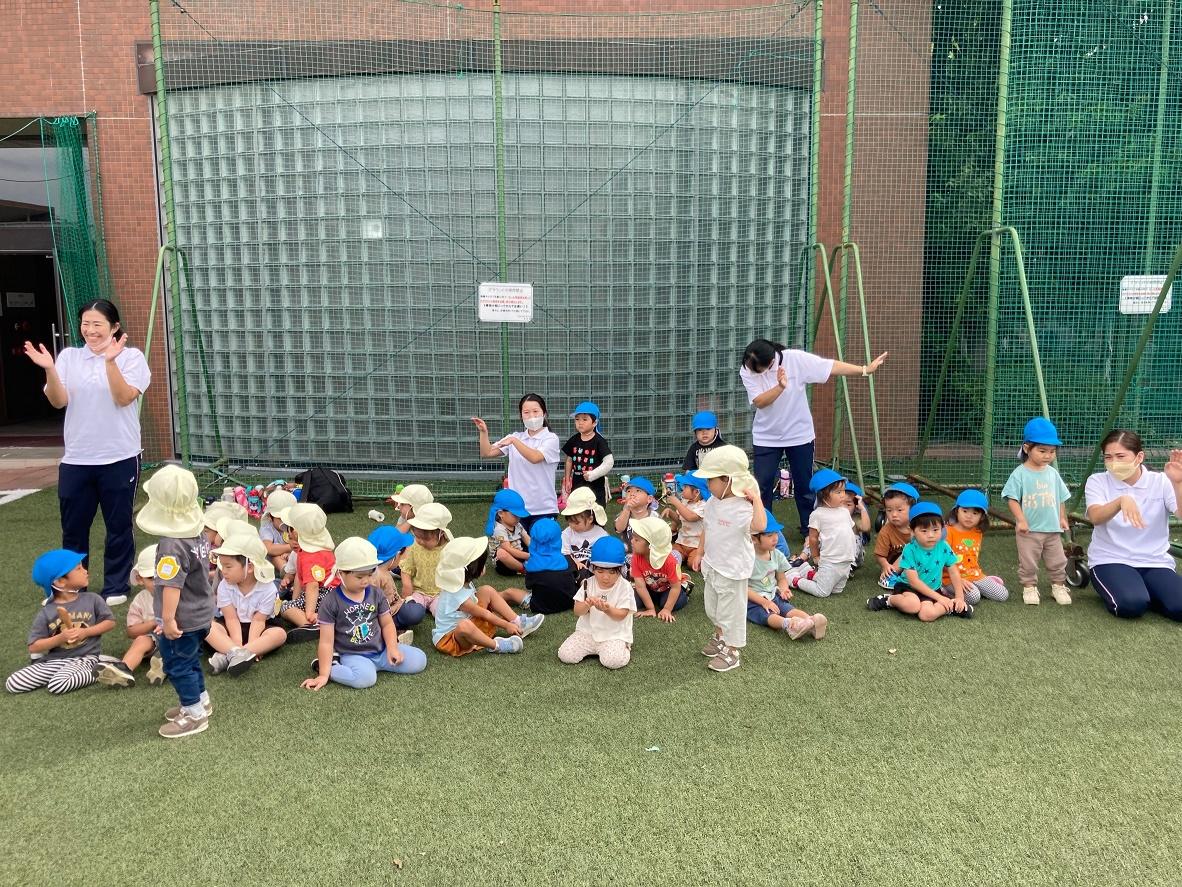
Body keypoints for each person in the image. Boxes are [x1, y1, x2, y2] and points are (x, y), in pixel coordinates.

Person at [23, 299, 151, 604]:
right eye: (85, 324)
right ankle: (72, 586)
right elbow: (58, 401)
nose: (90, 330)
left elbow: (124, 398)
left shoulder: (131, 357)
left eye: (97, 324)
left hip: (120, 457)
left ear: (114, 327)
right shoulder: (69, 357)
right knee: (73, 528)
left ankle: (116, 586)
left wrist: (110, 362)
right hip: (77, 459)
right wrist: (50, 369)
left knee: (118, 525)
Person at [739, 338, 887, 540]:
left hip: (799, 434)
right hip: (766, 437)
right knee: (762, 485)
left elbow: (829, 366)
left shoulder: (794, 359)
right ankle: (763, 530)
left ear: (772, 360)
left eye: (762, 370)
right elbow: (760, 402)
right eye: (754, 370)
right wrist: (780, 387)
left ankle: (810, 531)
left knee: (805, 485)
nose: (758, 373)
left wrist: (864, 370)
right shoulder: (747, 369)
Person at [134, 465, 215, 739]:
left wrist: (167, 619)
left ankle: (193, 714)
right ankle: (201, 701)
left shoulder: (171, 545)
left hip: (182, 618)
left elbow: (170, 586)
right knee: (191, 659)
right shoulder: (197, 531)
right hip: (201, 611)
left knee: (178, 665)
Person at [301, 538, 427, 690]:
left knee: (420, 660)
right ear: (340, 573)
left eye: (370, 574)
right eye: (360, 577)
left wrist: (392, 647)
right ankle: (330, 665)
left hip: (382, 651)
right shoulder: (330, 602)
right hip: (353, 655)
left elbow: (387, 623)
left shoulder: (376, 594)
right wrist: (324, 674)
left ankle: (376, 664)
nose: (366, 581)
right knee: (366, 679)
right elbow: (326, 642)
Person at [1085, 430, 1182, 620]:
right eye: (1108, 457)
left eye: (1120, 456)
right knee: (1131, 605)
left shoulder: (1161, 481)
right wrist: (1121, 500)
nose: (1114, 462)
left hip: (1155, 561)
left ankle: (1150, 592)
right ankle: (1140, 593)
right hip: (1110, 560)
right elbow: (1095, 517)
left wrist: (1178, 483)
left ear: (1139, 457)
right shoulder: (1097, 481)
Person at [693, 445, 766, 673]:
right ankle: (720, 637)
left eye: (711, 479)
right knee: (713, 608)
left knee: (731, 613)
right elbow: (707, 528)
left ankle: (732, 651)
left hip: (733, 570)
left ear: (727, 479)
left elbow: (760, 526)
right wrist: (699, 551)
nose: (707, 484)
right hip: (713, 565)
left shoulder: (743, 508)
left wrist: (757, 500)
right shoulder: (713, 502)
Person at [6, 550, 115, 695]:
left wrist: (85, 632)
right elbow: (34, 647)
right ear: (60, 582)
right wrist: (61, 638)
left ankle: (101, 669)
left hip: (85, 657)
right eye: (78, 568)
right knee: (13, 683)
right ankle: (66, 674)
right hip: (55, 661)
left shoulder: (92, 599)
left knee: (57, 685)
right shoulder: (46, 612)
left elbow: (110, 622)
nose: (85, 571)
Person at [431, 537, 545, 657]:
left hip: (469, 620)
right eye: (481, 564)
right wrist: (506, 625)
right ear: (472, 569)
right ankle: (496, 645)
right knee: (464, 625)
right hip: (453, 638)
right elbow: (484, 614)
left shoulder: (460, 581)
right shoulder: (457, 597)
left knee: (486, 590)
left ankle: (518, 621)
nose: (484, 566)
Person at [1002, 417, 1072, 606]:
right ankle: (1029, 587)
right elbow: (1011, 498)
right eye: (1042, 451)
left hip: (1052, 530)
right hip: (1029, 531)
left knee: (1057, 560)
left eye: (1052, 451)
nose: (1048, 455)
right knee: (1028, 562)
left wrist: (1062, 517)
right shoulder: (1020, 473)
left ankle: (1058, 586)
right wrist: (1021, 520)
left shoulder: (1052, 473)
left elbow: (1060, 497)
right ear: (1027, 448)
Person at [867, 502, 972, 621]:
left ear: (942, 529)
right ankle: (889, 600)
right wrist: (940, 598)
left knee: (926, 615)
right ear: (912, 531)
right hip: (908, 588)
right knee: (912, 606)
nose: (931, 535)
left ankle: (952, 606)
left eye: (935, 530)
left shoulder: (944, 546)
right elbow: (914, 582)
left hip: (932, 589)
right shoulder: (909, 549)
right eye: (924, 531)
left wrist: (959, 597)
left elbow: (953, 572)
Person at [205, 532, 288, 676]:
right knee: (207, 627)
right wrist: (237, 646)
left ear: (249, 567)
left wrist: (251, 644)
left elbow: (258, 620)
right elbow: (231, 619)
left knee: (279, 634)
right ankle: (237, 654)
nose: (223, 571)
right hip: (231, 627)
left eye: (228, 567)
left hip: (259, 628)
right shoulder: (224, 586)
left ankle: (227, 655)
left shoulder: (268, 589)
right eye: (222, 566)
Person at [473, 393, 560, 528]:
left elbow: (535, 457)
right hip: (517, 509)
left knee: (541, 541)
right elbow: (487, 452)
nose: (531, 416)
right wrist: (483, 432)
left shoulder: (550, 439)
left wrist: (514, 441)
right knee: (516, 542)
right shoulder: (515, 437)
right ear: (521, 416)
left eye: (535, 411)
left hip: (544, 509)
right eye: (526, 412)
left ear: (544, 413)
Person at [746, 511, 827, 640]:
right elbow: (743, 588)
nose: (775, 538)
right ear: (754, 538)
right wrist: (763, 602)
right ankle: (788, 624)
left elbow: (781, 578)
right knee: (767, 615)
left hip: (773, 594)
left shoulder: (776, 554)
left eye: (776, 533)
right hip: (753, 601)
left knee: (788, 608)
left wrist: (784, 589)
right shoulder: (747, 559)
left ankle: (811, 621)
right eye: (769, 535)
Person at [558, 537, 636, 670]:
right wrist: (587, 604)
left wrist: (607, 609)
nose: (605, 577)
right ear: (592, 568)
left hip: (614, 635)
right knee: (566, 655)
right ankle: (598, 649)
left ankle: (623, 646)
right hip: (587, 632)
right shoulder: (588, 583)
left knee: (613, 661)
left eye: (612, 572)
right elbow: (577, 611)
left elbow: (621, 615)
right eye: (600, 571)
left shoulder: (625, 586)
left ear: (621, 569)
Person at [93, 545, 165, 688]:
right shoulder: (140, 600)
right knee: (141, 640)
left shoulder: (180, 592)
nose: (159, 582)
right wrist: (153, 622)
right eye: (152, 578)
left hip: (179, 636)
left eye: (163, 576)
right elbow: (132, 631)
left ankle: (164, 666)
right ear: (140, 579)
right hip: (154, 640)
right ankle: (124, 669)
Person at [791, 469, 857, 598]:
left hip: (846, 560)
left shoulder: (844, 511)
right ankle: (794, 580)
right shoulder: (818, 514)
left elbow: (849, 531)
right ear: (823, 495)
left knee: (837, 590)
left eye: (843, 491)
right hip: (830, 561)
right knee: (822, 592)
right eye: (838, 492)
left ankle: (808, 573)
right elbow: (813, 538)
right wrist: (815, 556)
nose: (843, 495)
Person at [275, 502, 337, 639]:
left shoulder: (310, 556)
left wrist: (309, 612)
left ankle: (312, 625)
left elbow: (313, 586)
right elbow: (299, 575)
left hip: (325, 594)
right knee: (292, 603)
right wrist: (295, 600)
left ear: (296, 532)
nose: (287, 532)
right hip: (334, 594)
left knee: (285, 608)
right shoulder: (316, 547)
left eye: (289, 528)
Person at [944, 490, 1008, 604]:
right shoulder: (947, 531)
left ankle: (981, 585)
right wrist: (958, 579)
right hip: (950, 577)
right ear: (956, 511)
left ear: (982, 516)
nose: (969, 516)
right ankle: (945, 591)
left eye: (975, 513)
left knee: (1003, 594)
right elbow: (941, 561)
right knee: (974, 597)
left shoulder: (977, 531)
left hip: (974, 575)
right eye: (965, 511)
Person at [367, 525, 423, 640]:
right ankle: (389, 632)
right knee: (415, 612)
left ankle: (390, 630)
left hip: (390, 609)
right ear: (397, 555)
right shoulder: (375, 577)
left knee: (415, 609)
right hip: (381, 617)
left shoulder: (381, 570)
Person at [399, 502, 455, 617]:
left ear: (440, 533)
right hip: (418, 592)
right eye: (417, 536)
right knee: (411, 613)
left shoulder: (450, 548)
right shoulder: (415, 546)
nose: (420, 541)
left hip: (441, 594)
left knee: (443, 615)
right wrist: (407, 586)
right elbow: (406, 569)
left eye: (425, 539)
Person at [629, 515, 687, 622]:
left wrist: (667, 609)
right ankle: (653, 601)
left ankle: (685, 589)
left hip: (669, 588)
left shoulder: (670, 561)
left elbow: (675, 587)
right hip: (649, 588)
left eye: (636, 540)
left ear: (651, 546)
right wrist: (650, 609)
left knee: (670, 602)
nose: (632, 541)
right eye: (633, 538)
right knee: (633, 600)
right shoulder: (636, 557)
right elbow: (640, 586)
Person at [516, 518, 578, 614]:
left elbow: (529, 586)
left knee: (511, 593)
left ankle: (498, 597)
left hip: (540, 607)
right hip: (570, 602)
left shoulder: (532, 566)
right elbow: (575, 576)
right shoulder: (567, 559)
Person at [561, 400, 614, 506]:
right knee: (577, 510)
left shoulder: (599, 441)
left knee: (595, 510)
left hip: (595, 484)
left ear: (595, 423)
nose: (580, 422)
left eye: (585, 419)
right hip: (577, 483)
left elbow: (609, 462)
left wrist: (593, 474)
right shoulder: (573, 440)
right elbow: (569, 460)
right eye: (577, 419)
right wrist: (567, 479)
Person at [873, 482, 918, 590]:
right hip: (893, 567)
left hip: (917, 564)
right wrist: (885, 565)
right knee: (909, 549)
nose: (894, 514)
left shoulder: (919, 527)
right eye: (889, 510)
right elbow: (879, 555)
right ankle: (890, 578)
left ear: (913, 508)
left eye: (899, 510)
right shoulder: (886, 531)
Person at [559, 486, 609, 583]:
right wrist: (575, 562)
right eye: (569, 521)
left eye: (576, 522)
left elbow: (606, 553)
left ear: (590, 519)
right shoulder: (567, 533)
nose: (572, 525)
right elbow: (565, 553)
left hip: (593, 567)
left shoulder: (601, 534)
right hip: (574, 566)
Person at [663, 472, 709, 572]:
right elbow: (678, 519)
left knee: (692, 564)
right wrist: (670, 512)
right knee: (670, 557)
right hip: (681, 542)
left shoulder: (703, 505)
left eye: (685, 487)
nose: (682, 490)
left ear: (696, 492)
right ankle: (679, 558)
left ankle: (701, 557)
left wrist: (677, 503)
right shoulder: (685, 502)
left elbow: (691, 517)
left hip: (697, 546)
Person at [486, 488, 531, 575]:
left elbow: (527, 539)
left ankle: (530, 563)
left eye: (519, 515)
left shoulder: (517, 524)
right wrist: (529, 556)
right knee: (501, 553)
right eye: (515, 515)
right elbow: (508, 549)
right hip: (504, 563)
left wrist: (537, 550)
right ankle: (523, 569)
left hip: (519, 553)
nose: (518, 518)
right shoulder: (499, 529)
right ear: (501, 513)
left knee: (536, 542)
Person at [614, 476, 659, 552]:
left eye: (638, 491)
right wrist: (627, 509)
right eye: (629, 491)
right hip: (628, 553)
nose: (632, 494)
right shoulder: (624, 515)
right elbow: (619, 528)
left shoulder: (654, 516)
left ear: (649, 499)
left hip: (648, 553)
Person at [258, 488, 296, 575]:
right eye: (281, 518)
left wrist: (291, 552)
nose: (285, 522)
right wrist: (290, 547)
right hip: (276, 560)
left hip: (291, 555)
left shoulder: (294, 526)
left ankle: (297, 571)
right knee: (275, 556)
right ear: (270, 517)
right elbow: (268, 548)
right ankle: (286, 572)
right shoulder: (267, 528)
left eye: (288, 517)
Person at [844, 481, 872, 572]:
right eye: (840, 503)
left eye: (848, 505)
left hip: (855, 555)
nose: (844, 508)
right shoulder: (832, 516)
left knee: (854, 537)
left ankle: (850, 565)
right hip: (838, 553)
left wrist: (863, 509)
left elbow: (866, 528)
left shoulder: (855, 518)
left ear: (855, 506)